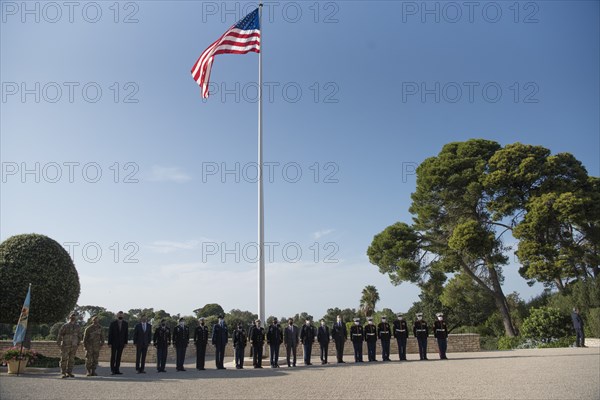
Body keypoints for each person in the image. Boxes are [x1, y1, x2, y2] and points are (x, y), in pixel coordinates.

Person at [57, 313, 81, 378]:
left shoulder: (77, 326)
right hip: (65, 345)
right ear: (69, 317)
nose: (73, 318)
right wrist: (59, 343)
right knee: (64, 359)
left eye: (74, 317)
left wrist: (78, 343)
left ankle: (69, 372)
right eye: (72, 317)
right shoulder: (65, 326)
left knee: (72, 359)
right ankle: (63, 373)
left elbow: (79, 336)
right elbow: (60, 334)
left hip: (74, 345)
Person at [107, 311, 128, 375]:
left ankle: (117, 370)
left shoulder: (125, 323)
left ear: (123, 316)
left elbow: (126, 334)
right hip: (114, 343)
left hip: (121, 343)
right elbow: (110, 333)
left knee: (119, 357)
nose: (120, 316)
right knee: (113, 356)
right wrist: (109, 343)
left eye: (121, 315)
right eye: (119, 315)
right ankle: (112, 370)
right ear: (117, 315)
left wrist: (125, 342)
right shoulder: (113, 323)